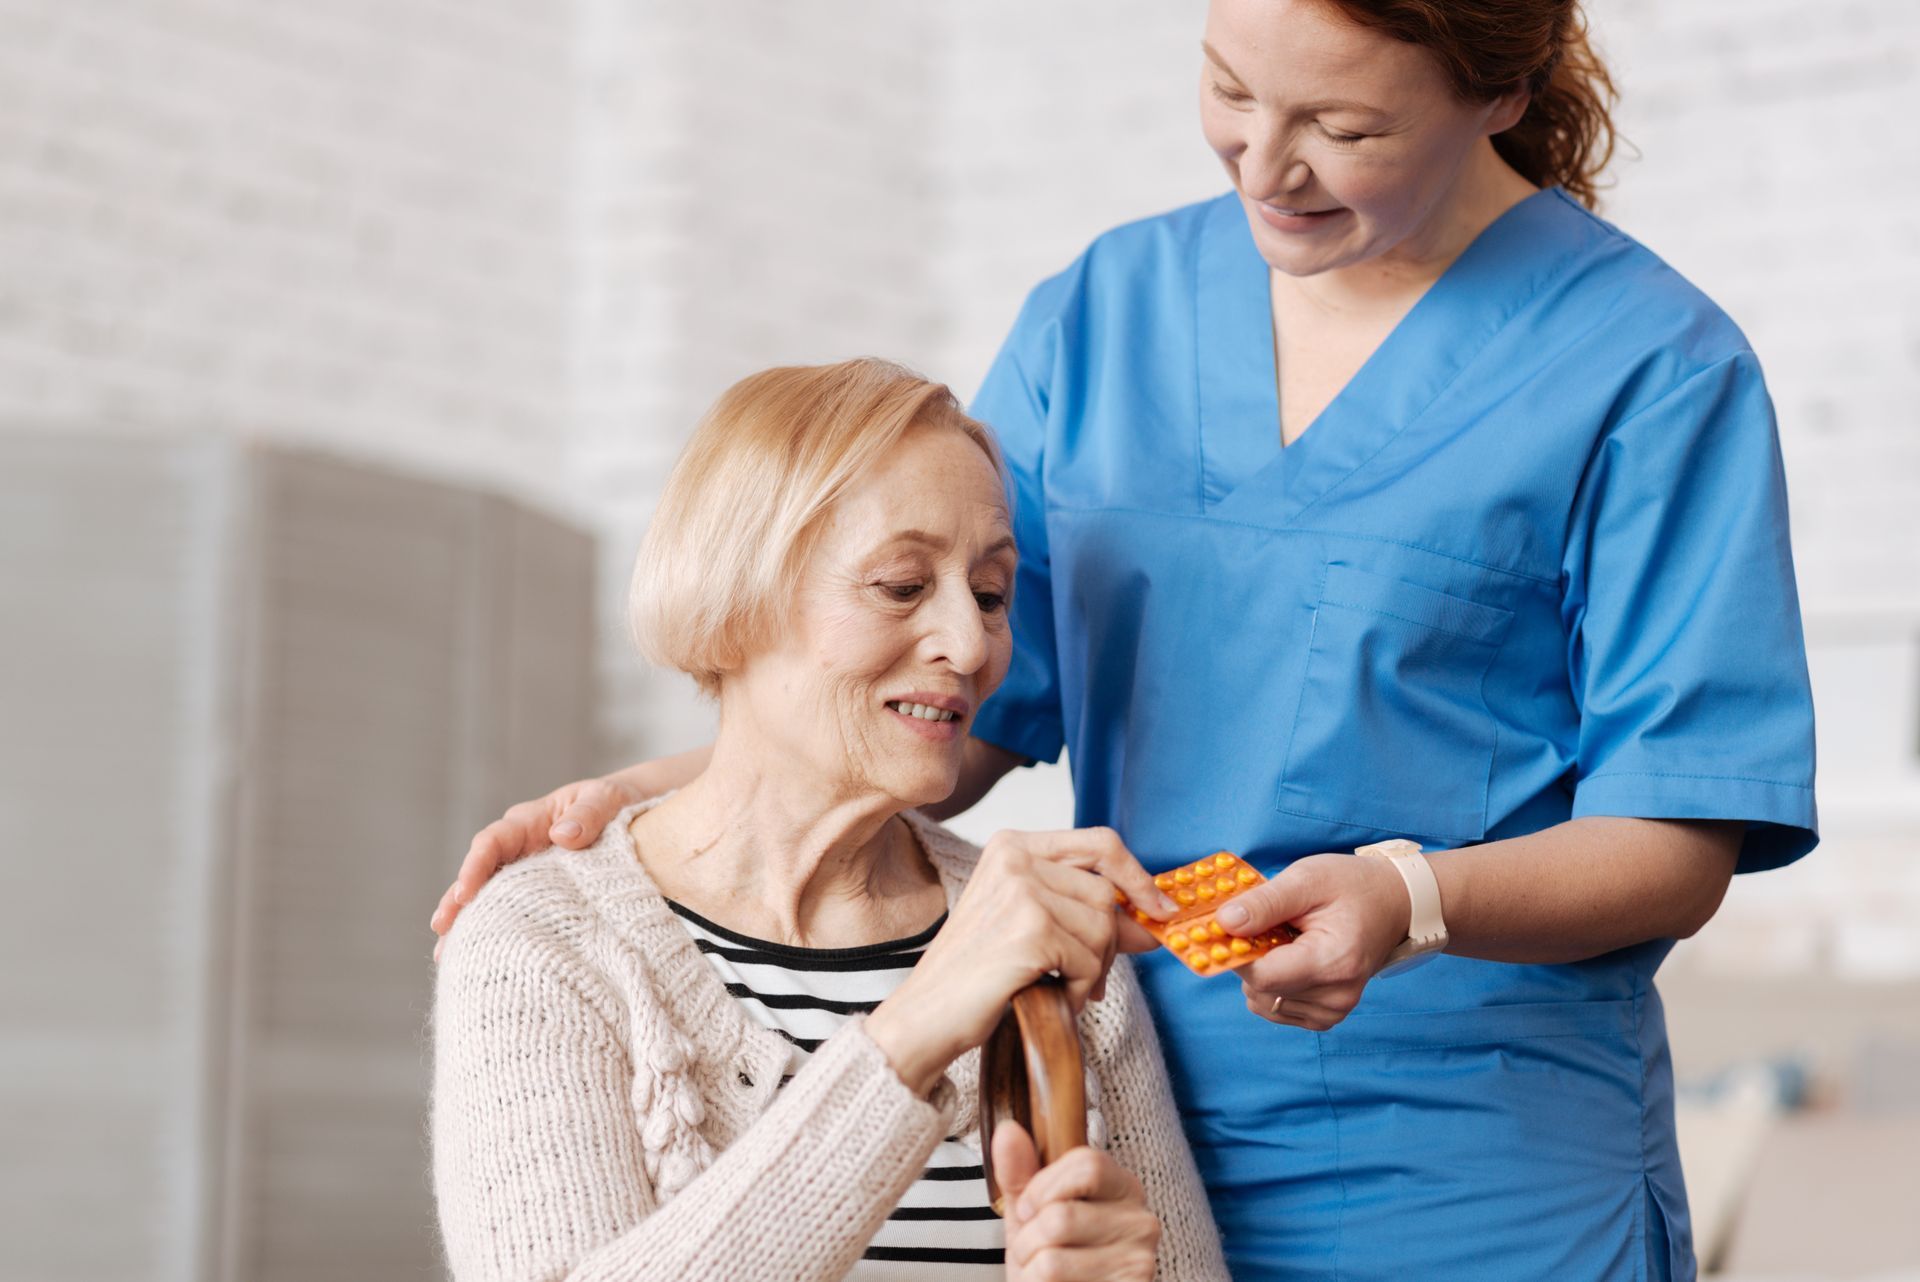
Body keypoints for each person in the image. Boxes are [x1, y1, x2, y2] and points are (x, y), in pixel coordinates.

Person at [432, 2, 1819, 1277]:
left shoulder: (1650, 367)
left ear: (1500, 95)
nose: (1263, 164)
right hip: (1117, 1105)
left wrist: (1410, 897)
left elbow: (1682, 830)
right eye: (1229, 90)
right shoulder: (1104, 317)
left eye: (1345, 129)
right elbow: (943, 690)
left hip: (1477, 1174)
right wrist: (643, 801)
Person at [430, 360, 1227, 1281]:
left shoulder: (1048, 944)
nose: (969, 646)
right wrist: (912, 1027)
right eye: (899, 585)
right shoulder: (540, 945)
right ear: (735, 596)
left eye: (992, 594)